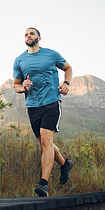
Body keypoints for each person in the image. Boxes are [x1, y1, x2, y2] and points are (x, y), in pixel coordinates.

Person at [13, 27, 74, 197]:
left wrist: (66, 83)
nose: (28, 36)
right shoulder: (19, 60)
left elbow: (68, 68)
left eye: (31, 33)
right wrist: (22, 87)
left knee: (46, 140)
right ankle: (64, 164)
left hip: (51, 102)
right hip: (32, 106)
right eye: (25, 34)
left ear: (39, 37)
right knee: (44, 143)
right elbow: (16, 85)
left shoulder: (51, 55)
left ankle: (43, 184)